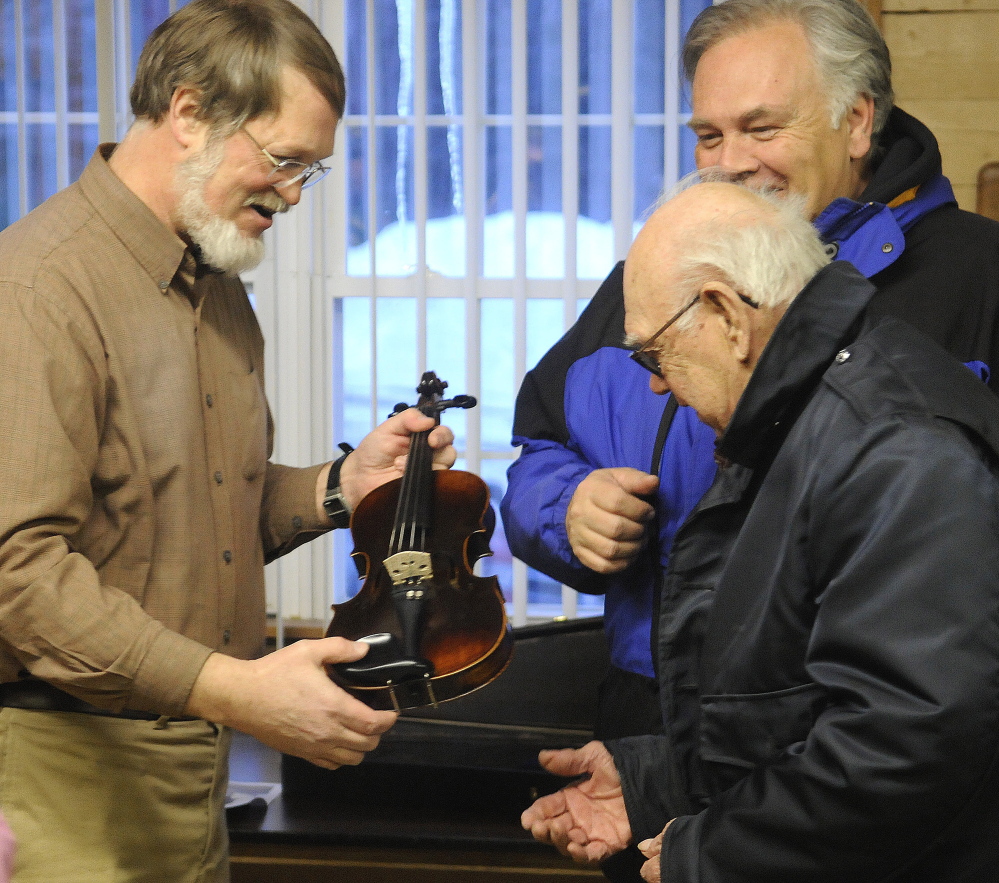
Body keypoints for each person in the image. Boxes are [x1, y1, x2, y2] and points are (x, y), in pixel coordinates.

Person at [500, 5, 999, 874]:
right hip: (662, 746)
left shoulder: (972, 278)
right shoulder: (666, 268)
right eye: (706, 134)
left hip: (846, 781)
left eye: (760, 127)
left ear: (857, 119)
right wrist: (565, 506)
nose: (729, 161)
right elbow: (535, 451)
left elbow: (916, 717)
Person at [0, 1, 456, 880]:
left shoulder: (212, 283)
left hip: (192, 766)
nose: (291, 195)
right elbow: (17, 573)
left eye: (309, 173)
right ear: (187, 112)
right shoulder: (37, 290)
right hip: (62, 773)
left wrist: (343, 484)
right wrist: (236, 688)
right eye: (284, 161)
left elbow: (196, 517)